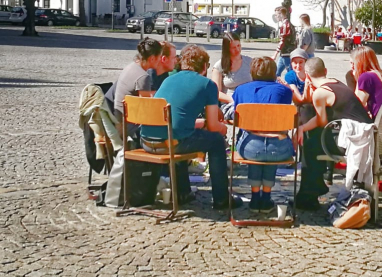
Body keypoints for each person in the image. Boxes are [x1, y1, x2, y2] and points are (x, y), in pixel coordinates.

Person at [140, 44, 243, 210]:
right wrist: (223, 129)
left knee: (183, 136)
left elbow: (175, 118)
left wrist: (201, 124)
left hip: (147, 140)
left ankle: (183, 192)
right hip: (170, 143)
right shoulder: (207, 85)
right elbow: (213, 125)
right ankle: (222, 198)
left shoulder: (168, 79)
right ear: (204, 66)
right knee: (216, 141)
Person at [294, 57, 372, 210]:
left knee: (310, 143)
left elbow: (322, 122)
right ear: (325, 72)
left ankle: (309, 193)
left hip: (355, 142)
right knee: (311, 133)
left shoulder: (321, 93)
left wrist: (301, 129)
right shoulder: (336, 83)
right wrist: (303, 128)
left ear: (308, 76)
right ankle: (313, 189)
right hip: (365, 136)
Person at [232, 57, 294, 213]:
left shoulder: (241, 90)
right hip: (277, 147)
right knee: (272, 144)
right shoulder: (285, 91)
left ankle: (254, 197)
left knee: (254, 144)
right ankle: (266, 198)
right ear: (274, 72)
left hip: (249, 147)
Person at [105, 38, 163, 137]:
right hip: (129, 127)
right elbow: (146, 109)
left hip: (119, 120)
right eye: (159, 57)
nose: (160, 60)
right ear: (152, 58)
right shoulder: (143, 77)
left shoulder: (130, 67)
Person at [351, 46, 382, 119]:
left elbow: (356, 106)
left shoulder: (366, 77)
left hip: (380, 125)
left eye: (352, 63)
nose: (351, 66)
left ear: (359, 62)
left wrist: (357, 78)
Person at [211, 32, 253, 103]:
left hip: (249, 101)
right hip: (230, 103)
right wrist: (233, 101)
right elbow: (216, 92)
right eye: (233, 47)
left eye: (238, 45)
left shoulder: (250, 62)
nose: (237, 49)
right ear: (227, 49)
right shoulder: (219, 66)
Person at [274, 7, 296, 77]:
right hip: (284, 53)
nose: (276, 16)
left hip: (287, 52)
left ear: (281, 14)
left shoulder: (285, 25)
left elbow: (283, 40)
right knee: (277, 72)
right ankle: (275, 85)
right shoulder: (288, 24)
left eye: (276, 14)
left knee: (290, 72)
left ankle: (294, 85)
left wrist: (275, 54)